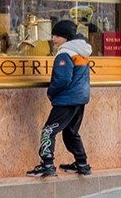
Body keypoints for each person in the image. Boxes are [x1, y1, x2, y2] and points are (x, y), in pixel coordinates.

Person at [26, 19, 93, 177]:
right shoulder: (81, 52)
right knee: (71, 132)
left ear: (66, 37)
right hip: (80, 99)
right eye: (53, 35)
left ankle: (47, 164)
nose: (53, 39)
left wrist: (51, 91)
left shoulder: (65, 53)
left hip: (66, 100)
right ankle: (82, 163)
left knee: (48, 131)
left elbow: (62, 79)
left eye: (57, 36)